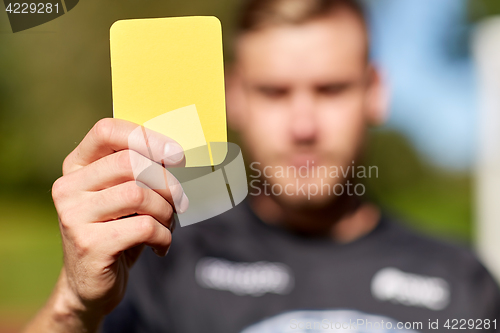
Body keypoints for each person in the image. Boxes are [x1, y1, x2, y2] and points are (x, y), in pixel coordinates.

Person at [24, 0, 500, 332]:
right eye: (274, 92)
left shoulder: (461, 280)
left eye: (331, 89)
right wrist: (72, 306)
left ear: (375, 92)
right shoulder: (160, 256)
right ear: (234, 95)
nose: (303, 125)